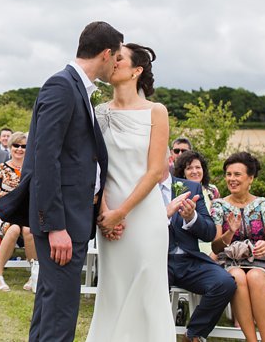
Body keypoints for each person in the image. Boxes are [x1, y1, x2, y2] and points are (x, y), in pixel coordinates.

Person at [0, 21, 122, 342]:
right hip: (62, 222)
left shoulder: (77, 89)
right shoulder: (62, 86)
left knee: (52, 309)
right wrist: (55, 226)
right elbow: (44, 160)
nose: (118, 63)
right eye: (117, 56)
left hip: (76, 217)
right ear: (106, 54)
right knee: (60, 314)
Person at [86, 42, 176, 341]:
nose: (112, 61)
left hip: (145, 215)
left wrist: (122, 212)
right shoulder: (97, 112)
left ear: (136, 70)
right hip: (107, 212)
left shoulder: (156, 112)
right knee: (114, 287)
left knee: (147, 286)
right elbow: (95, 167)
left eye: (119, 58)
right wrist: (104, 212)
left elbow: (156, 171)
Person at [162, 163, 235, 342]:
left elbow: (210, 233)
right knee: (153, 290)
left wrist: (191, 218)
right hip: (158, 259)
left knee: (224, 283)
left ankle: (193, 334)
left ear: (169, 159)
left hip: (190, 259)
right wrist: (164, 215)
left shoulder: (191, 187)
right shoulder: (142, 188)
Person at [210, 152, 265, 342]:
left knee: (256, 277)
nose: (231, 179)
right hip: (230, 262)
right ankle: (251, 340)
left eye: (237, 174)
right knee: (238, 276)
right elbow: (216, 247)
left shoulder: (263, 204)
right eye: (228, 174)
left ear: (250, 178)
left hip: (262, 264)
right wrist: (229, 232)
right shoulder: (218, 206)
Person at [0, 131, 38, 293]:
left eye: (24, 146)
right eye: (16, 145)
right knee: (14, 229)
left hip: (26, 212)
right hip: (5, 211)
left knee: (29, 230)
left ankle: (34, 274)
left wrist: (15, 195)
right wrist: (18, 196)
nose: (19, 149)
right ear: (10, 147)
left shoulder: (33, 169)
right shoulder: (0, 168)